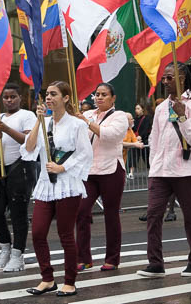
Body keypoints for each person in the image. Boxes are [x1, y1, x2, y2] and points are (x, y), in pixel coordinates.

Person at [137, 63, 191, 279]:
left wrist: (182, 116)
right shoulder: (160, 108)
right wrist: (153, 165)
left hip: (185, 170)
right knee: (153, 215)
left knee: (190, 217)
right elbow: (154, 139)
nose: (165, 82)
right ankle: (155, 263)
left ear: (182, 78)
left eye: (169, 78)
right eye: (164, 78)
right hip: (160, 171)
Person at [22, 81, 92, 296]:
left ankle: (70, 281)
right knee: (38, 232)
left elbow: (85, 153)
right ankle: (47, 278)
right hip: (45, 184)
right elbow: (29, 147)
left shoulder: (77, 125)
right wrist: (38, 121)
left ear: (66, 98)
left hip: (67, 184)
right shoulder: (45, 123)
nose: (49, 98)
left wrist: (63, 166)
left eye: (54, 94)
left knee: (65, 234)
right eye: (47, 95)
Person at [75, 83, 141, 271]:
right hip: (88, 171)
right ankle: (83, 257)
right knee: (81, 211)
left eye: (104, 94)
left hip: (111, 169)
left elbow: (109, 136)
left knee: (110, 214)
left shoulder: (119, 116)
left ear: (113, 98)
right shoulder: (87, 114)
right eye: (97, 94)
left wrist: (86, 122)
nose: (99, 97)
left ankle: (112, 258)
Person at [0, 83, 37, 273]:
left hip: (19, 166)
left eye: (12, 97)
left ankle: (17, 254)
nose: (8, 100)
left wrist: (6, 130)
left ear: (20, 97)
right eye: (5, 97)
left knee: (18, 213)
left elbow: (27, 140)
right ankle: (5, 247)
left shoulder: (27, 116)